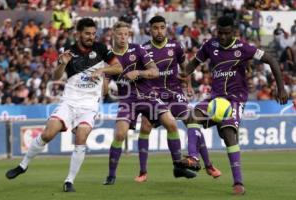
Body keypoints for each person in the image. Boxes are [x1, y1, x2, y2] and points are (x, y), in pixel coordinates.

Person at [5, 18, 123, 192]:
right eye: (87, 33)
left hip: (89, 105)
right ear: (78, 34)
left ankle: (69, 181)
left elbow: (119, 68)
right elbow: (56, 77)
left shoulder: (101, 49)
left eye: (93, 33)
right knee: (48, 133)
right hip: (69, 102)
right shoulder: (69, 51)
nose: (91, 36)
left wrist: (102, 70)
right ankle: (23, 165)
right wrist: (62, 64)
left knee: (81, 136)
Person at [179, 16, 289, 195]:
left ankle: (238, 182)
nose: (222, 37)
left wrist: (281, 88)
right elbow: (192, 65)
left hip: (235, 99)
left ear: (233, 32)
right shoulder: (209, 45)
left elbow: (272, 60)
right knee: (192, 116)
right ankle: (193, 157)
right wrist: (183, 74)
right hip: (215, 98)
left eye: (226, 33)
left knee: (228, 133)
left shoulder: (243, 47)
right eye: (220, 33)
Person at [103, 21, 196, 185]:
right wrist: (101, 89)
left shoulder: (138, 50)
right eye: (120, 34)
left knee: (171, 123)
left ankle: (178, 167)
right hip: (127, 100)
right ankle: (111, 175)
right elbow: (104, 83)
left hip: (148, 96)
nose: (123, 37)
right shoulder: (109, 57)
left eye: (126, 34)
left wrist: (138, 72)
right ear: (113, 35)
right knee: (119, 134)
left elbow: (155, 71)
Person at [134, 16, 221, 183]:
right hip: (154, 95)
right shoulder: (143, 50)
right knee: (145, 126)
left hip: (174, 93)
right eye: (155, 28)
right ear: (149, 30)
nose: (159, 31)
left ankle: (208, 165)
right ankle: (143, 172)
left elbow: (185, 68)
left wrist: (188, 85)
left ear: (166, 28)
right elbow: (140, 74)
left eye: (161, 27)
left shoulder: (176, 46)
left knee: (191, 121)